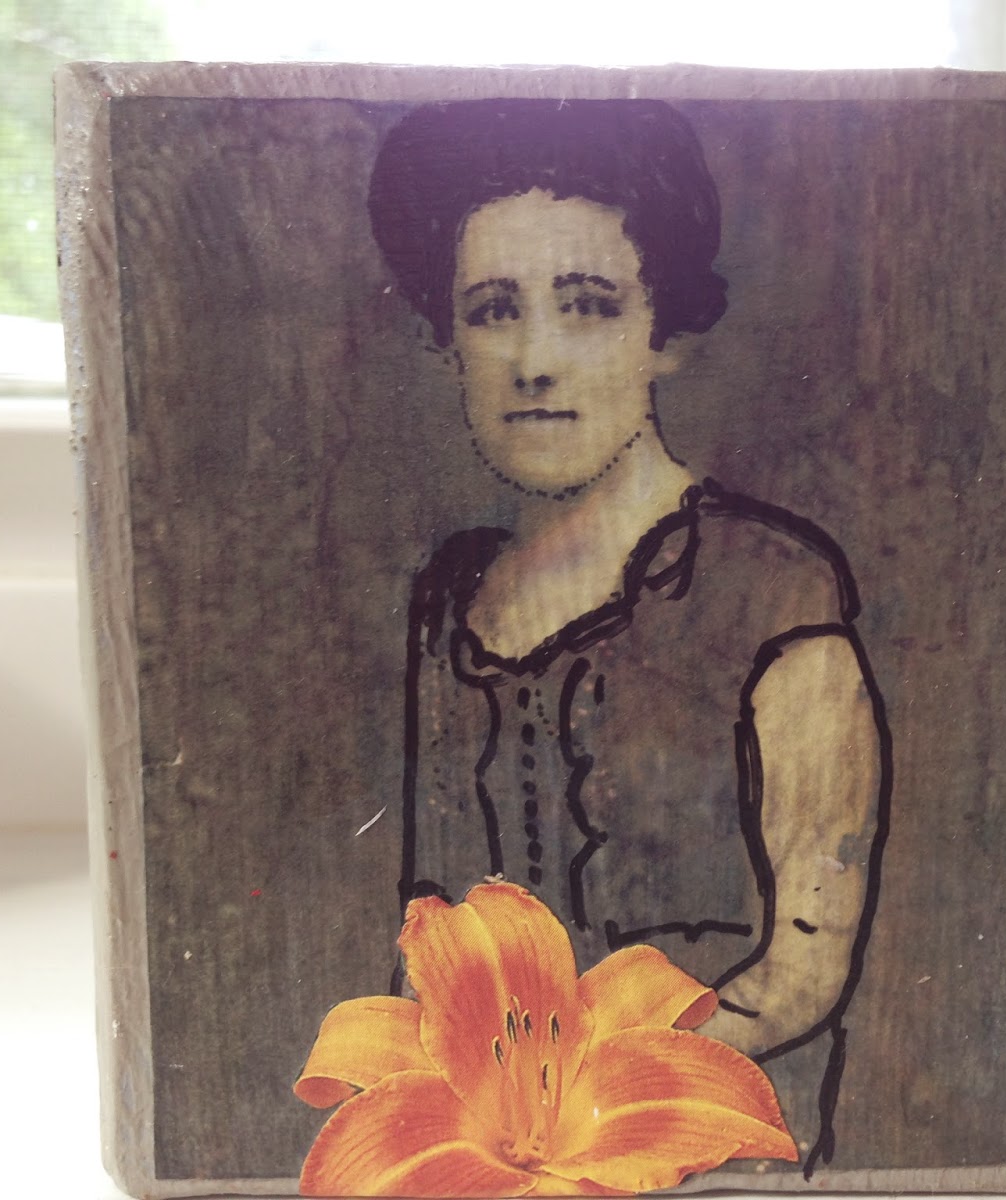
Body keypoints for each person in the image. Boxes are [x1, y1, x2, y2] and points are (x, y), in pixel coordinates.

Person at [367, 98, 891, 1173]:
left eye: (587, 306)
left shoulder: (769, 587)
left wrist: (591, 1118)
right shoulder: (447, 600)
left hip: (718, 1149)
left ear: (666, 335)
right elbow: (430, 943)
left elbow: (803, 967)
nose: (534, 360)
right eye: (492, 310)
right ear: (447, 343)